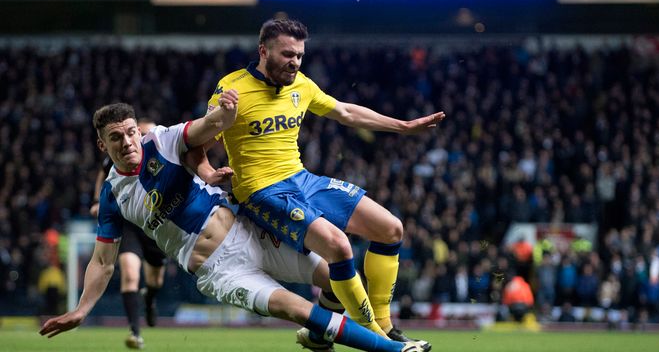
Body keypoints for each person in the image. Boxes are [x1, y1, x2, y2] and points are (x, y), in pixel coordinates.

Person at [40, 94, 423, 352]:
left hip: (249, 232)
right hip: (216, 268)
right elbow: (103, 262)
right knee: (294, 308)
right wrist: (81, 310)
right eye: (115, 138)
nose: (127, 142)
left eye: (129, 132)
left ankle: (323, 339)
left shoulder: (163, 140)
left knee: (334, 275)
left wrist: (225, 111)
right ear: (102, 146)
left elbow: (207, 127)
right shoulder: (111, 195)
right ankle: (392, 348)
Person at [206, 18, 444, 349]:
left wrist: (402, 126)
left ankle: (376, 328)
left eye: (300, 56)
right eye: (288, 54)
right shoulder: (232, 88)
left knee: (391, 229)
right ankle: (376, 337)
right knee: (339, 247)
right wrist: (208, 174)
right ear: (264, 51)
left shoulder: (301, 85)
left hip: (302, 179)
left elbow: (345, 112)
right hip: (262, 191)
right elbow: (200, 139)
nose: (295, 62)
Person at [89, 118, 234, 349]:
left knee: (155, 280)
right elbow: (102, 174)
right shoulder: (117, 161)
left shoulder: (163, 152)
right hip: (130, 227)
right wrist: (98, 201)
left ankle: (149, 298)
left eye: (145, 134)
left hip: (157, 225)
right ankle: (135, 332)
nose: (139, 140)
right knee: (130, 273)